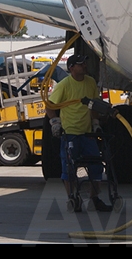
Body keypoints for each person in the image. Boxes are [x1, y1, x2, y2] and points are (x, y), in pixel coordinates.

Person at [46, 52, 111, 212]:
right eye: (81, 64)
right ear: (71, 68)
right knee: (69, 167)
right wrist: (55, 122)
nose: (84, 66)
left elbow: (94, 104)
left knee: (96, 165)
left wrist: (95, 123)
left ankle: (94, 198)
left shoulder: (90, 83)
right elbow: (50, 105)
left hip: (87, 133)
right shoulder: (64, 85)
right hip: (70, 133)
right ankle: (73, 198)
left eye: (84, 63)